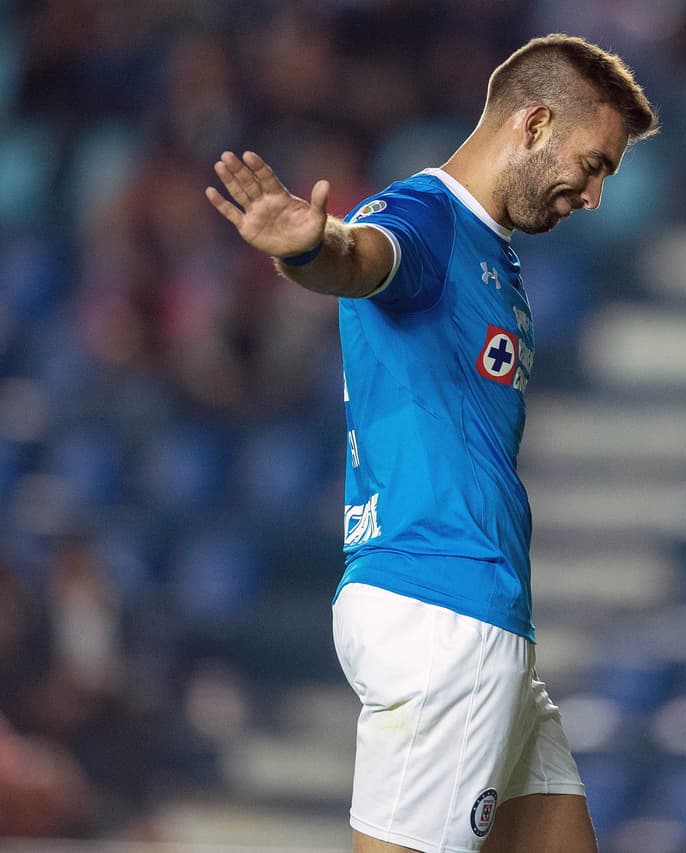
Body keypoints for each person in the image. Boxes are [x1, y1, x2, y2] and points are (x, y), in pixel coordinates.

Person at [205, 34, 658, 853]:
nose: (593, 194)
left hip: (472, 608)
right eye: (594, 163)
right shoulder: (425, 217)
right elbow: (362, 256)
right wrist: (312, 247)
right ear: (534, 123)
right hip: (443, 606)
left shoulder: (496, 256)